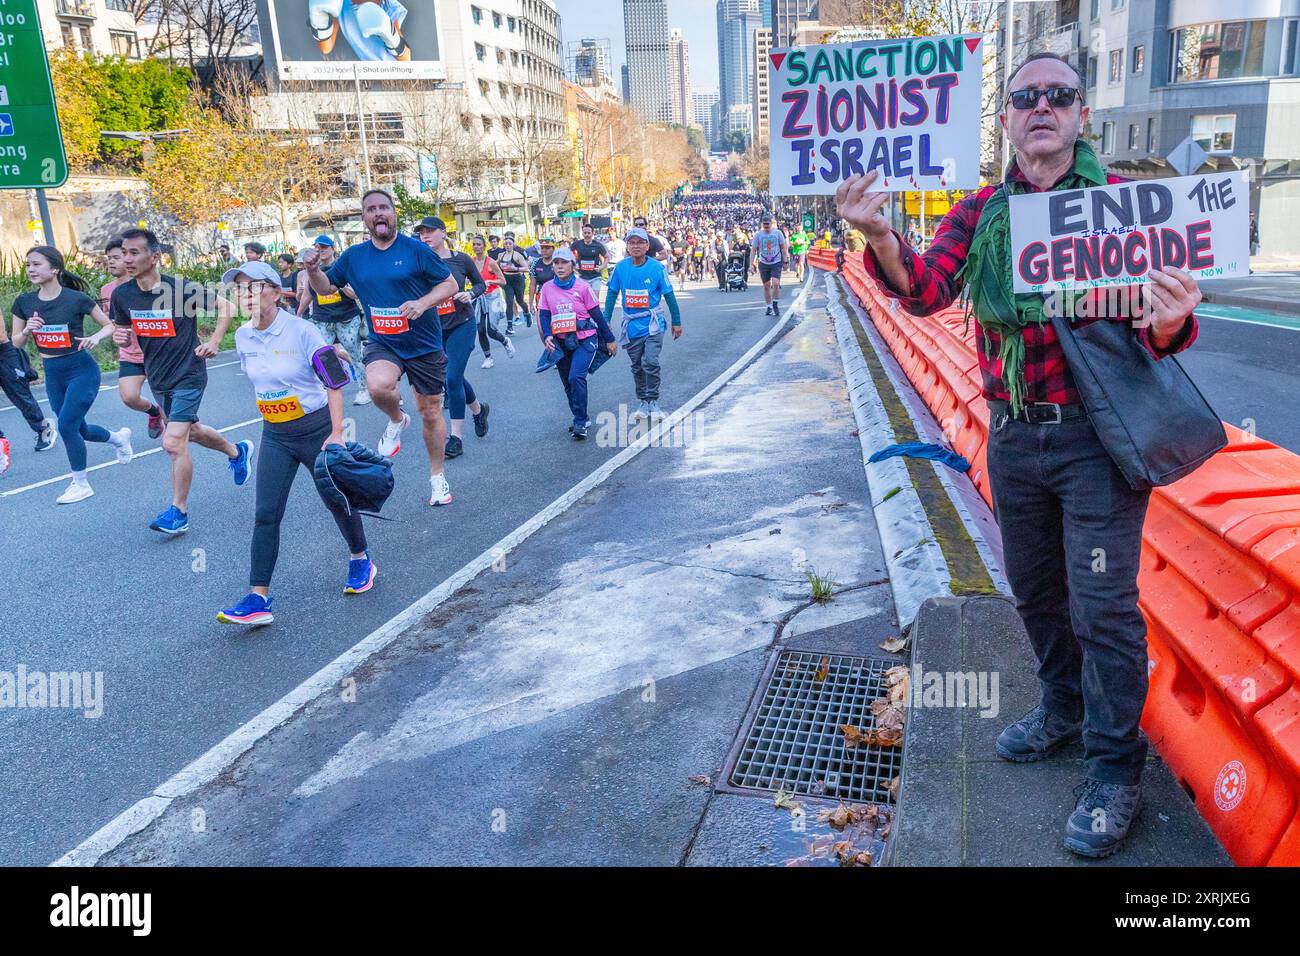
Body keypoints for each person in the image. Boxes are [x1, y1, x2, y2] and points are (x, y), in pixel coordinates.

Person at [837, 51, 1205, 859]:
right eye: (1024, 96)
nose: (1041, 106)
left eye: (1059, 96)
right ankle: (1062, 710)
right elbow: (926, 287)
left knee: (1101, 608)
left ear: (1081, 116)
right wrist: (880, 234)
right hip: (1012, 434)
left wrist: (1176, 317)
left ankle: (1115, 771)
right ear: (1006, 117)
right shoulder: (981, 212)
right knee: (1036, 593)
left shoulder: (1119, 211)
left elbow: (1158, 331)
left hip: (1095, 443)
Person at [217, 260, 373, 627]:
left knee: (336, 499)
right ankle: (258, 598)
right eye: (240, 289)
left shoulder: (302, 332)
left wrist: (336, 433)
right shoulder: (242, 337)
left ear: (274, 291)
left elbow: (335, 381)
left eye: (254, 287)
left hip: (316, 429)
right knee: (265, 513)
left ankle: (360, 558)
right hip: (275, 433)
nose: (246, 295)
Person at [303, 189, 460, 507]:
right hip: (383, 341)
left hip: (424, 343)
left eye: (384, 207)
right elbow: (327, 288)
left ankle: (437, 476)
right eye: (371, 209)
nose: (378, 213)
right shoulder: (354, 256)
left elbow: (450, 284)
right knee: (377, 386)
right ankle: (396, 418)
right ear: (364, 218)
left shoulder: (415, 250)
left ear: (394, 213)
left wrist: (422, 302)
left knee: (430, 413)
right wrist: (313, 271)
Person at [110, 228, 251, 534]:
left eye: (135, 253)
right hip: (158, 377)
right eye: (124, 253)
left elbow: (226, 307)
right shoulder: (123, 294)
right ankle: (237, 451)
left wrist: (214, 341)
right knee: (194, 431)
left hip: (188, 373)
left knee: (173, 442)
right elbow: (122, 333)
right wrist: (120, 336)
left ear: (155, 257)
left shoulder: (180, 289)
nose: (127, 259)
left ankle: (178, 512)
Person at [10, 246, 133, 503]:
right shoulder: (24, 302)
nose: (30, 269)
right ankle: (118, 438)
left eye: (36, 264)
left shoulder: (75, 299)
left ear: (55, 268)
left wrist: (95, 338)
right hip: (53, 373)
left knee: (66, 426)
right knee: (80, 429)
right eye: (28, 265)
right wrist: (27, 331)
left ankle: (81, 484)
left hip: (81, 370)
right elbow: (16, 344)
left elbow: (110, 325)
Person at [414, 217, 492, 461]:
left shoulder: (460, 259)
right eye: (421, 233)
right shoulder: (419, 262)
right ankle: (478, 410)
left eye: (429, 232)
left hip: (462, 324)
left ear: (443, 233)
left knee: (451, 378)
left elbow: (481, 284)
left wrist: (470, 294)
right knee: (453, 377)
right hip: (434, 328)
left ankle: (456, 438)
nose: (425, 237)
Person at [604, 228, 682, 422]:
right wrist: (605, 321)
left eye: (640, 242)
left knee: (650, 362)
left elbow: (669, 296)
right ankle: (643, 402)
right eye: (632, 243)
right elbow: (612, 294)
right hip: (631, 326)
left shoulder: (657, 268)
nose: (636, 246)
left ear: (647, 246)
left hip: (653, 323)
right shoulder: (620, 268)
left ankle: (653, 401)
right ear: (627, 247)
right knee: (637, 365)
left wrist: (677, 321)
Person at [537, 248, 616, 440]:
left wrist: (610, 339)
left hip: (585, 338)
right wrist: (547, 335)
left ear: (572, 265)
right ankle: (580, 416)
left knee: (575, 377)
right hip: (560, 340)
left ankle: (580, 422)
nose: (560, 266)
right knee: (567, 383)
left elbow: (597, 314)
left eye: (564, 262)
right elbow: (545, 314)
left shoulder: (582, 287)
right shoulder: (547, 288)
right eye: (556, 263)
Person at [101, 238, 165, 442]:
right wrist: (118, 336)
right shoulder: (107, 291)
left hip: (157, 353)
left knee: (170, 412)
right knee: (129, 397)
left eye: (117, 257)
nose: (112, 262)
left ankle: (174, 441)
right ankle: (153, 413)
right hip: (130, 354)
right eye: (109, 258)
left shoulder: (147, 286)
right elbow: (113, 323)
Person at [298, 235, 370, 407]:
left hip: (346, 317)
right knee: (323, 355)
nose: (321, 250)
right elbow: (308, 294)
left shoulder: (343, 267)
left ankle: (364, 389)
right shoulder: (312, 271)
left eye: (324, 247)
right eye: (317, 247)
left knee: (355, 354)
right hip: (322, 319)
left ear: (333, 249)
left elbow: (355, 293)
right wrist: (298, 314)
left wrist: (337, 283)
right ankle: (331, 389)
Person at [469, 234, 514, 368]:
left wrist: (490, 281)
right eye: (474, 244)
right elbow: (467, 278)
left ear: (484, 246)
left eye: (479, 244)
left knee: (491, 330)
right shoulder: (471, 262)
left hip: (492, 296)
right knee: (481, 329)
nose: (476, 247)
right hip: (479, 297)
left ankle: (505, 341)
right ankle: (488, 357)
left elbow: (503, 281)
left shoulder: (491, 263)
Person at [750, 214, 789, 316]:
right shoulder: (758, 235)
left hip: (776, 261)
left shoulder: (778, 233)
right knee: (766, 286)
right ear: (762, 224)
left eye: (768, 224)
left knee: (776, 283)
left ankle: (775, 302)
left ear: (771, 224)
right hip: (763, 262)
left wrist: (785, 261)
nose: (766, 226)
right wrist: (751, 264)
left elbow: (783, 247)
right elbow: (753, 250)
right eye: (764, 224)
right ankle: (769, 306)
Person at [496, 235, 532, 334]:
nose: (507, 245)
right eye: (506, 244)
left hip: (517, 280)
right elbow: (495, 265)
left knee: (520, 301)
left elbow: (526, 268)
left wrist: (515, 268)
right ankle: (509, 327)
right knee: (509, 301)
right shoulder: (501, 255)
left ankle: (526, 313)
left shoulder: (517, 255)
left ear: (513, 245)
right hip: (507, 280)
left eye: (510, 244)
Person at [571, 223, 608, 302]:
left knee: (594, 300)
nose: (587, 235)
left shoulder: (598, 245)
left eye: (589, 233)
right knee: (583, 300)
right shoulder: (577, 244)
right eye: (585, 233)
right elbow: (567, 254)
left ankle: (594, 314)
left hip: (595, 277)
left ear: (592, 233)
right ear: (582, 233)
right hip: (582, 277)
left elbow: (607, 257)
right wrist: (573, 267)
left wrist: (601, 267)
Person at [528, 237, 558, 334]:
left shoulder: (558, 262)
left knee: (556, 328)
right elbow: (532, 285)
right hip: (540, 297)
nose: (544, 250)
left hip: (557, 298)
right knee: (542, 330)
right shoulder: (535, 263)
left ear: (553, 249)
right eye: (542, 248)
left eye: (547, 248)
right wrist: (530, 303)